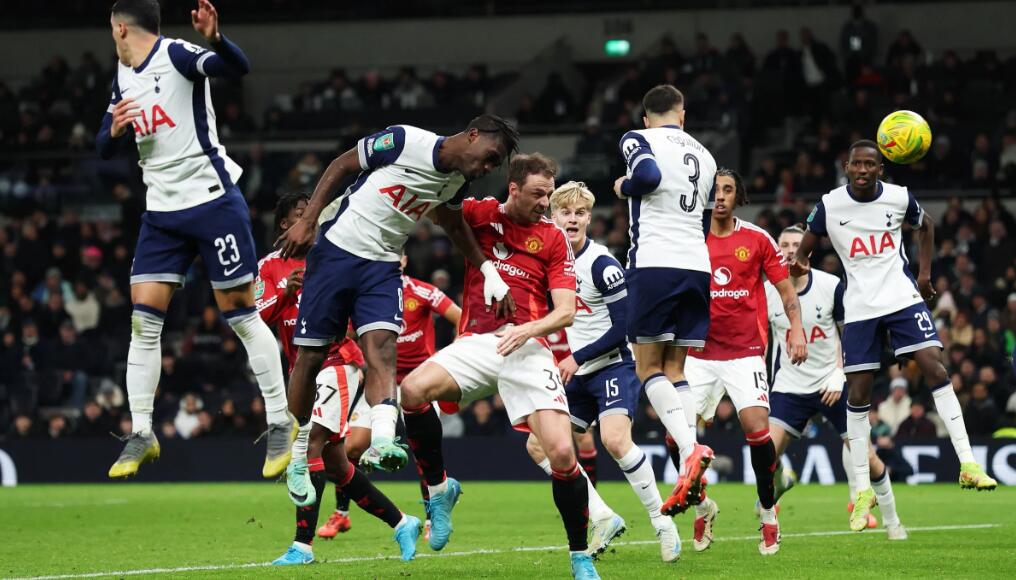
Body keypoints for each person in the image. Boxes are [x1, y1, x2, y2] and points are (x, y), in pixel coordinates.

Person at [274, 114, 518, 505]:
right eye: (490, 156)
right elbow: (342, 165)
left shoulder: (457, 181)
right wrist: (307, 220)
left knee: (383, 350)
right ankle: (301, 448)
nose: (488, 168)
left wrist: (489, 269)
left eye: (494, 165)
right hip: (337, 250)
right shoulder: (405, 141)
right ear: (472, 135)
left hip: (383, 265)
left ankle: (383, 442)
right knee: (311, 357)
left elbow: (453, 226)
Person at [99, 0, 294, 479]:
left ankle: (279, 420)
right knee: (143, 322)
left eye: (111, 32)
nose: (112, 39)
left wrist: (215, 38)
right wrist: (115, 129)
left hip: (211, 203)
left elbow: (236, 68)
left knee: (241, 314)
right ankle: (142, 431)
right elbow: (102, 142)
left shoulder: (180, 55)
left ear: (121, 28)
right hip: (161, 214)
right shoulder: (122, 76)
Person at [399, 154, 601, 580]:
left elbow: (565, 311)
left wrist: (528, 330)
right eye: (537, 194)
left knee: (563, 454)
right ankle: (439, 491)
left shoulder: (552, 238)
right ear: (513, 188)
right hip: (477, 342)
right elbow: (440, 211)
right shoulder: (480, 213)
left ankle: (580, 557)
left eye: (549, 193)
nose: (545, 203)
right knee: (412, 391)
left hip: (527, 347)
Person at [792, 140, 996, 532]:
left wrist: (923, 274)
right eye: (857, 164)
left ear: (881, 169)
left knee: (935, 367)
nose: (864, 170)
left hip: (901, 298)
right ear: (847, 166)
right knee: (858, 395)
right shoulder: (831, 204)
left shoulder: (900, 198)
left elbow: (927, 226)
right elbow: (809, 240)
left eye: (871, 164)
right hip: (861, 307)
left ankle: (968, 463)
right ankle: (863, 490)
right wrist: (801, 260)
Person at [256, 193, 420, 565]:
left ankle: (302, 546)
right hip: (300, 371)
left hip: (338, 361)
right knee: (336, 464)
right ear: (286, 225)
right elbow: (255, 318)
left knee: (310, 443)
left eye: (314, 215)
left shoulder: (332, 255)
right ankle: (402, 522)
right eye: (302, 215)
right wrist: (287, 291)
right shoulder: (269, 267)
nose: (310, 221)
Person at [528, 181, 681, 562]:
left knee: (614, 440)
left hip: (612, 365)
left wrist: (577, 357)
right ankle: (603, 515)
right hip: (579, 374)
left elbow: (622, 328)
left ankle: (663, 523)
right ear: (553, 216)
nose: (573, 219)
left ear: (589, 218)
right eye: (566, 212)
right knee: (536, 445)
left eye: (580, 213)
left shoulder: (602, 264)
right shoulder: (551, 261)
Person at [678, 169, 807, 556]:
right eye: (714, 190)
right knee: (676, 437)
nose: (719, 196)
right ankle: (703, 506)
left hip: (745, 351)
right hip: (698, 352)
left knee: (756, 430)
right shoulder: (688, 238)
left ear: (739, 196)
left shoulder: (756, 239)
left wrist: (796, 329)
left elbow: (786, 291)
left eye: (728, 190)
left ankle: (768, 513)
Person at [611, 84, 716, 516]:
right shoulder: (706, 156)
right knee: (676, 368)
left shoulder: (638, 140)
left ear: (645, 117)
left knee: (646, 365)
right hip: (698, 264)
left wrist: (623, 186)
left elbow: (648, 177)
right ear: (683, 115)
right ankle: (692, 458)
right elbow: (707, 220)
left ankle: (691, 451)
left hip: (656, 262)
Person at [765, 225, 907, 540]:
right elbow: (763, 341)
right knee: (765, 455)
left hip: (833, 384)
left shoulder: (831, 287)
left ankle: (893, 521)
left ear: (808, 251)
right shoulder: (766, 292)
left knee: (867, 457)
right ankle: (774, 503)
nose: (789, 250)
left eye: (795, 244)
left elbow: (851, 336)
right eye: (784, 244)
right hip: (789, 386)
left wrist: (838, 372)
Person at [318, 253, 461, 542]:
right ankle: (341, 514)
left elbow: (460, 317)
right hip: (380, 380)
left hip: (419, 382)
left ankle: (434, 517)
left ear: (405, 260)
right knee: (351, 448)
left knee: (423, 450)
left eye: (397, 255)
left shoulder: (421, 291)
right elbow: (346, 331)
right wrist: (357, 360)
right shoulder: (366, 292)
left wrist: (449, 361)